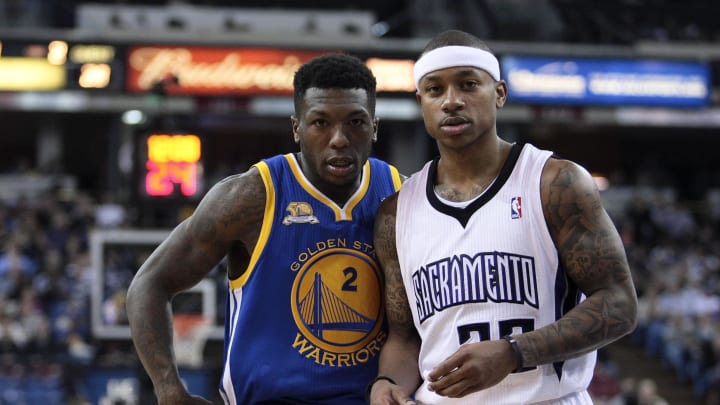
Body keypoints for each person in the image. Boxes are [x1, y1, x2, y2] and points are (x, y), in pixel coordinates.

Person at [368, 30, 638, 405]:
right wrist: (386, 382)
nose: (451, 101)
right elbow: (404, 338)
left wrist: (514, 352)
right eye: (435, 90)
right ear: (421, 102)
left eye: (468, 84)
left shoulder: (555, 182)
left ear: (499, 93)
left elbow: (620, 304)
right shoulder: (395, 213)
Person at [126, 52, 403, 405]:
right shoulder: (250, 197)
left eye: (355, 122)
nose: (339, 139)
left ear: (374, 127)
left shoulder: (402, 196)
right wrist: (168, 390)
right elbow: (148, 284)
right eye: (321, 123)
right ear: (296, 128)